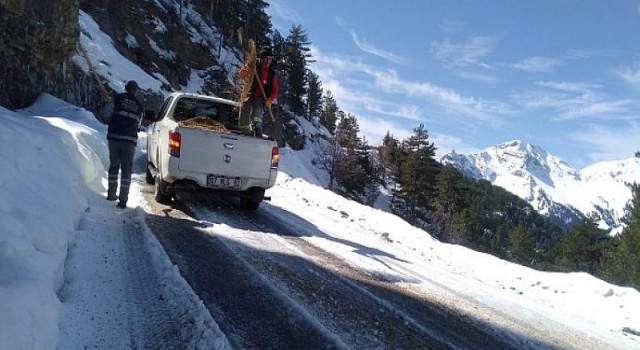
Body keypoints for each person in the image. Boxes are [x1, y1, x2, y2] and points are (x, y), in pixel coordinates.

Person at [101, 80, 144, 208]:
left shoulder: (116, 99)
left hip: (114, 138)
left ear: (126, 88)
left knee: (114, 166)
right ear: (135, 91)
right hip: (129, 141)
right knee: (126, 170)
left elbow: (105, 115)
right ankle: (123, 200)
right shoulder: (139, 106)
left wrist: (105, 102)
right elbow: (139, 126)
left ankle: (111, 195)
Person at [238, 46, 279, 136]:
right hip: (248, 93)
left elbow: (275, 90)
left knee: (258, 111)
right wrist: (245, 72)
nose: (268, 62)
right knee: (244, 112)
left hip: (259, 96)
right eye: (266, 59)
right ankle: (247, 132)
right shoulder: (252, 64)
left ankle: (257, 128)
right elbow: (241, 74)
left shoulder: (271, 73)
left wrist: (269, 99)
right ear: (261, 58)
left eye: (270, 59)